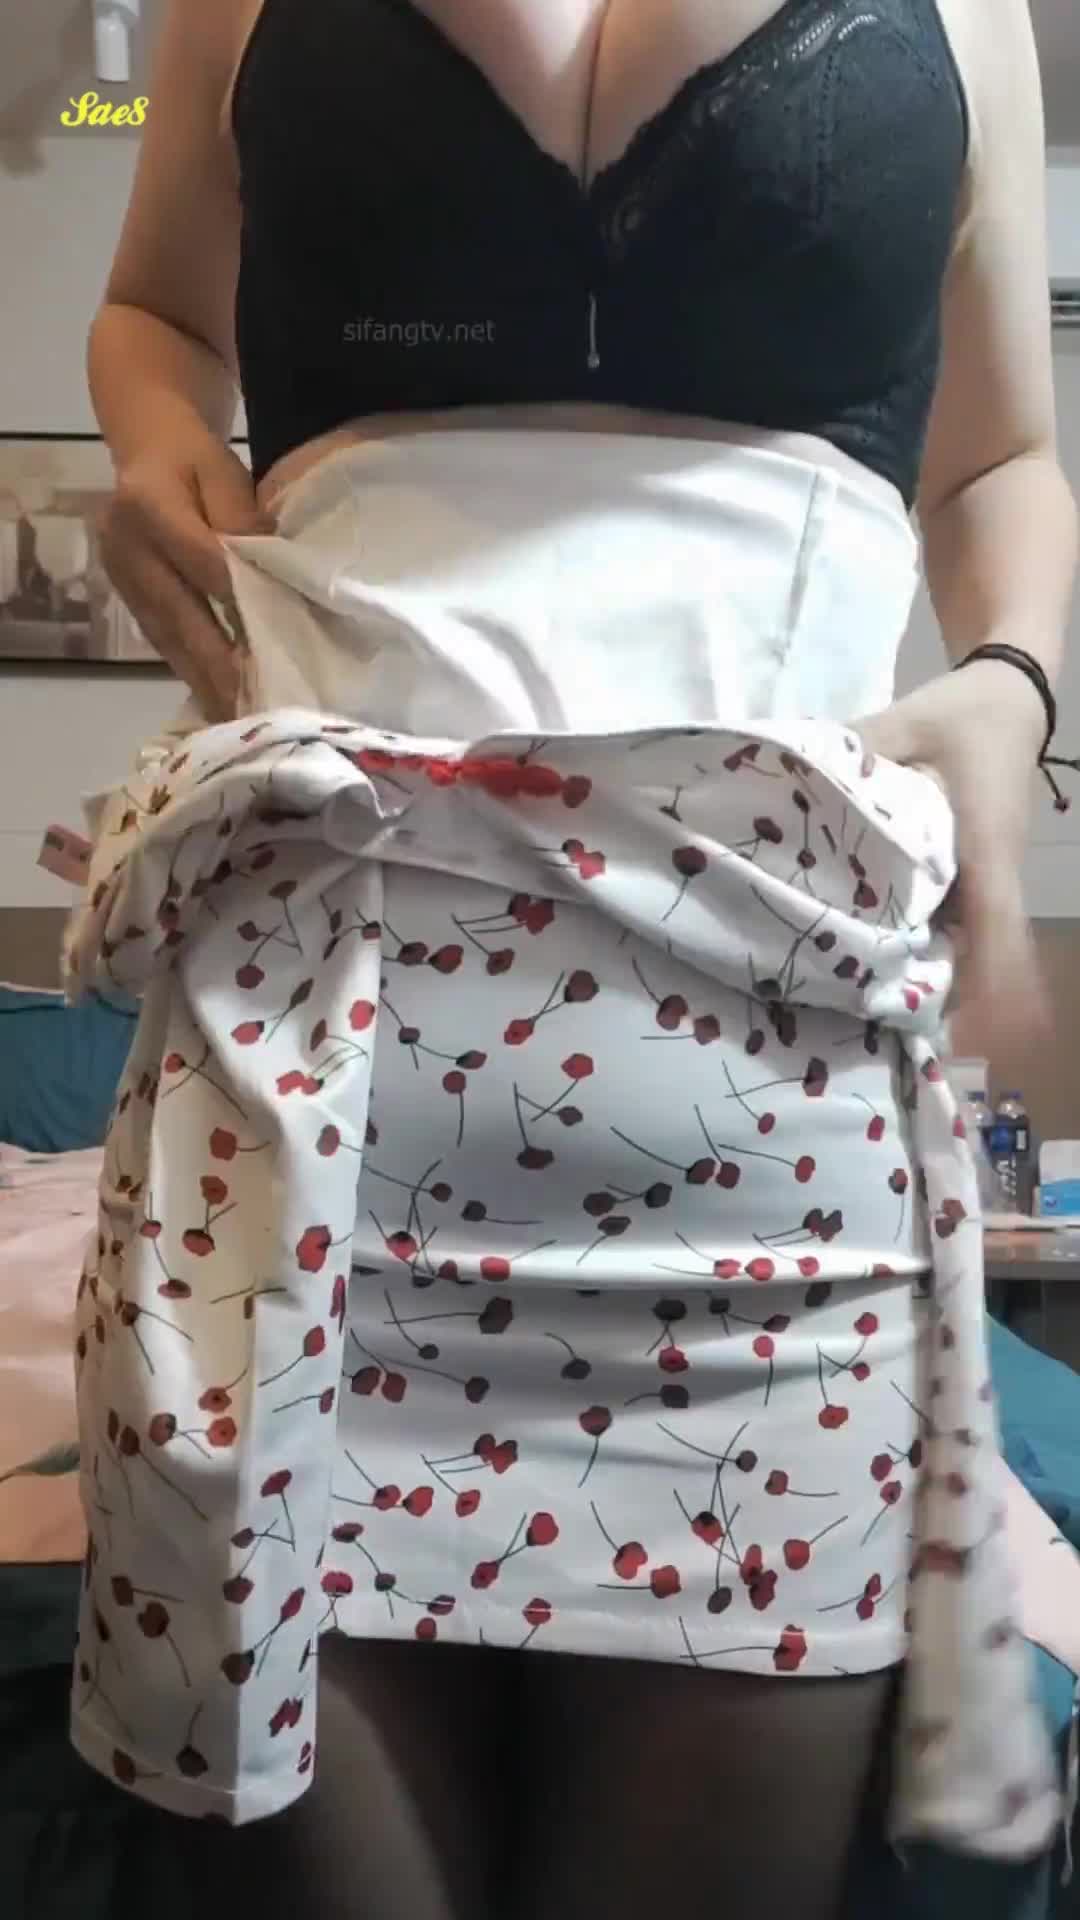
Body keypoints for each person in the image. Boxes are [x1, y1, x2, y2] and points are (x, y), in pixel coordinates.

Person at [70, 3, 1077, 1917]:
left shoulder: (972, 12)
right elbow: (153, 314)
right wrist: (156, 438)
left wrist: (1015, 684)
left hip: (777, 1139)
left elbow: (1002, 456)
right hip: (304, 1112)